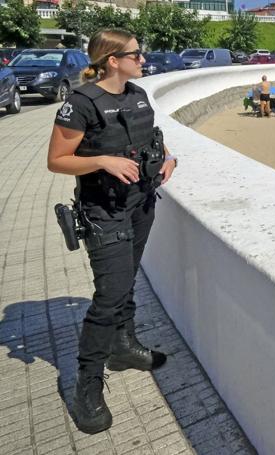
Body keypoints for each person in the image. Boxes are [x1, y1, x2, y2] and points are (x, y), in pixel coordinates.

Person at [47, 28, 176, 434]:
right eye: (137, 54)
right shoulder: (81, 103)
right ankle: (87, 384)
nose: (144, 58)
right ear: (112, 60)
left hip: (141, 204)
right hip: (104, 211)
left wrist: (168, 158)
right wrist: (102, 160)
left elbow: (151, 138)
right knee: (109, 295)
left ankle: (122, 345)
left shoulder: (136, 94)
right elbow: (57, 159)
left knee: (127, 280)